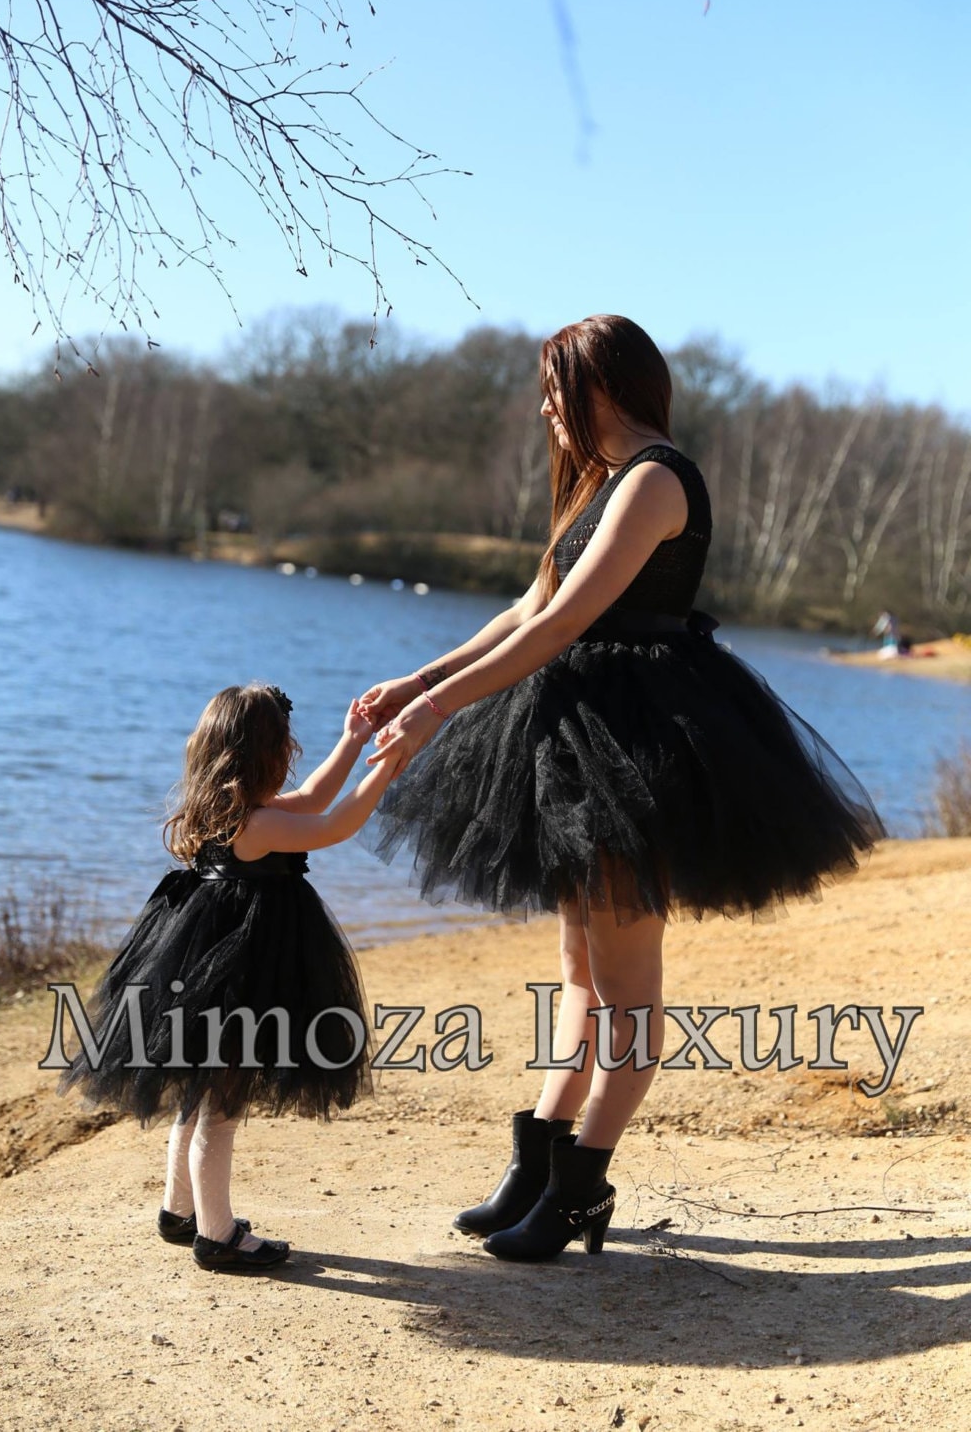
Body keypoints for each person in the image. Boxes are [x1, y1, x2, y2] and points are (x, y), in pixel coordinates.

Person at [360, 314, 883, 1264]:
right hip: (573, 740)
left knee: (626, 988)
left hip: (634, 746)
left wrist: (437, 714)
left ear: (600, 386)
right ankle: (539, 1163)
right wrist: (418, 682)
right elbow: (528, 607)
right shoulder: (599, 487)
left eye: (555, 389)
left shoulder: (655, 481)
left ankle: (579, 1189)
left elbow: (559, 629)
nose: (547, 409)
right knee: (579, 972)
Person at [60, 683, 400, 1274]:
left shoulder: (224, 812)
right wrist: (389, 765)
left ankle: (179, 1212)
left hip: (203, 970)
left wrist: (355, 741)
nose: (292, 751)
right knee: (222, 1107)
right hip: (241, 980)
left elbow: (317, 796)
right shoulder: (260, 825)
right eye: (284, 744)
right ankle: (217, 1237)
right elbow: (338, 821)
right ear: (264, 753)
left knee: (196, 1094)